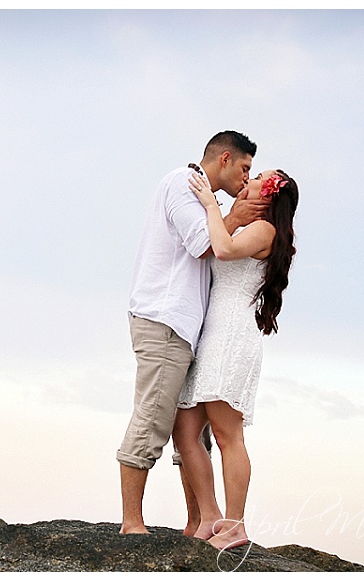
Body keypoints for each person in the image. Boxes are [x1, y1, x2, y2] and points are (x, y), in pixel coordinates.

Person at [117, 131, 268, 535]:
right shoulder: (183, 185)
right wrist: (232, 215)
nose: (246, 178)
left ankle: (198, 521)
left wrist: (224, 213)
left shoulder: (209, 201)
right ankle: (132, 524)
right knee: (152, 420)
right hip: (164, 320)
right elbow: (204, 244)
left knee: (192, 433)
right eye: (245, 168)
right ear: (224, 158)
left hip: (190, 332)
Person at [172, 168, 299, 550]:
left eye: (259, 177)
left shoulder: (265, 232)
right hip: (214, 335)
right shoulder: (250, 226)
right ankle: (210, 515)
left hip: (231, 338)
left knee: (229, 437)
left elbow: (223, 249)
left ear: (271, 195)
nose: (251, 178)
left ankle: (235, 525)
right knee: (184, 431)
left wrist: (211, 204)